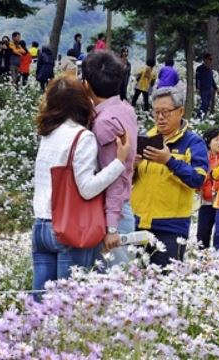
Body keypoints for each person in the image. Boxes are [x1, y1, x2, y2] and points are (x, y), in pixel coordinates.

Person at [32, 76, 131, 299]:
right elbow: (86, 188)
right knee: (68, 304)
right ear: (81, 101)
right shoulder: (82, 136)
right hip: (68, 229)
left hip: (40, 226)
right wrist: (119, 162)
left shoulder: (48, 134)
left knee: (39, 304)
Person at [131, 86, 209, 266]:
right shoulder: (145, 138)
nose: (160, 117)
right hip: (139, 222)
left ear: (180, 111)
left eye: (165, 112)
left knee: (163, 285)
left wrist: (169, 161)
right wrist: (132, 167)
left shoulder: (193, 142)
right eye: (156, 112)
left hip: (171, 228)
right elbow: (131, 181)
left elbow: (198, 180)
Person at [82, 51, 139, 268]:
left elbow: (115, 175)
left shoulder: (105, 122)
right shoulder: (125, 109)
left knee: (112, 287)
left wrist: (112, 227)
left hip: (113, 213)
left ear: (87, 85)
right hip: (121, 208)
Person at [197, 128, 219, 249]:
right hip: (206, 201)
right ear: (209, 142)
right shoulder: (203, 158)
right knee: (202, 234)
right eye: (216, 140)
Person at [195, 53, 218, 118]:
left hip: (209, 89)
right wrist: (197, 88)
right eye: (210, 59)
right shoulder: (199, 68)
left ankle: (203, 116)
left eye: (211, 59)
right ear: (205, 60)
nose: (211, 61)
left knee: (207, 104)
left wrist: (216, 88)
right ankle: (198, 117)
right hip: (203, 89)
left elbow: (212, 79)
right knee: (204, 103)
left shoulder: (210, 69)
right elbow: (197, 79)